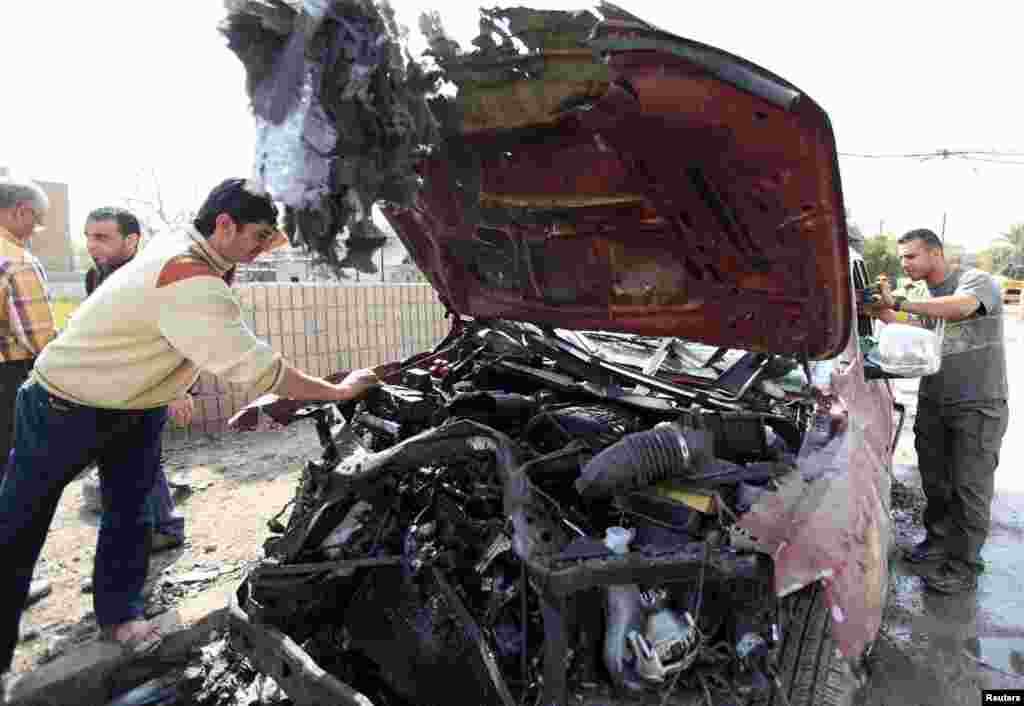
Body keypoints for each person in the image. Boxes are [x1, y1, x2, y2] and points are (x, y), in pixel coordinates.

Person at [0, 178, 378, 696]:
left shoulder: (188, 248)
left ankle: (120, 616)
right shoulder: (188, 277)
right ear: (223, 225)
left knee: (131, 511)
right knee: (20, 521)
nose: (264, 248)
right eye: (259, 235)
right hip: (65, 405)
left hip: (135, 405)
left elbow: (180, 334)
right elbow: (258, 368)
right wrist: (336, 392)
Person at [867, 228, 1008, 594]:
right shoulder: (921, 296)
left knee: (969, 488)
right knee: (936, 481)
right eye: (901, 258)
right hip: (935, 401)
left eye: (910, 256)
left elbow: (960, 308)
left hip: (978, 404)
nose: (904, 263)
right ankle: (939, 541)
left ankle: (964, 565)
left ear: (935, 253)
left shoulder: (976, 282)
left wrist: (899, 302)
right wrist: (880, 310)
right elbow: (911, 326)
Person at [81, 207, 188, 552]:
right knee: (136, 456)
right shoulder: (95, 276)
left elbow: (181, 335)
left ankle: (162, 528)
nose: (91, 245)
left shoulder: (157, 275)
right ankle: (163, 525)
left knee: (139, 454)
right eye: (88, 236)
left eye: (101, 237)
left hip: (151, 380)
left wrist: (180, 388)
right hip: (115, 381)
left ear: (131, 240)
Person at [0, 176, 57, 483]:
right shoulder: (16, 261)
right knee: (14, 470)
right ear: (21, 211)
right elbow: (42, 341)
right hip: (9, 377)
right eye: (38, 221)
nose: (36, 230)